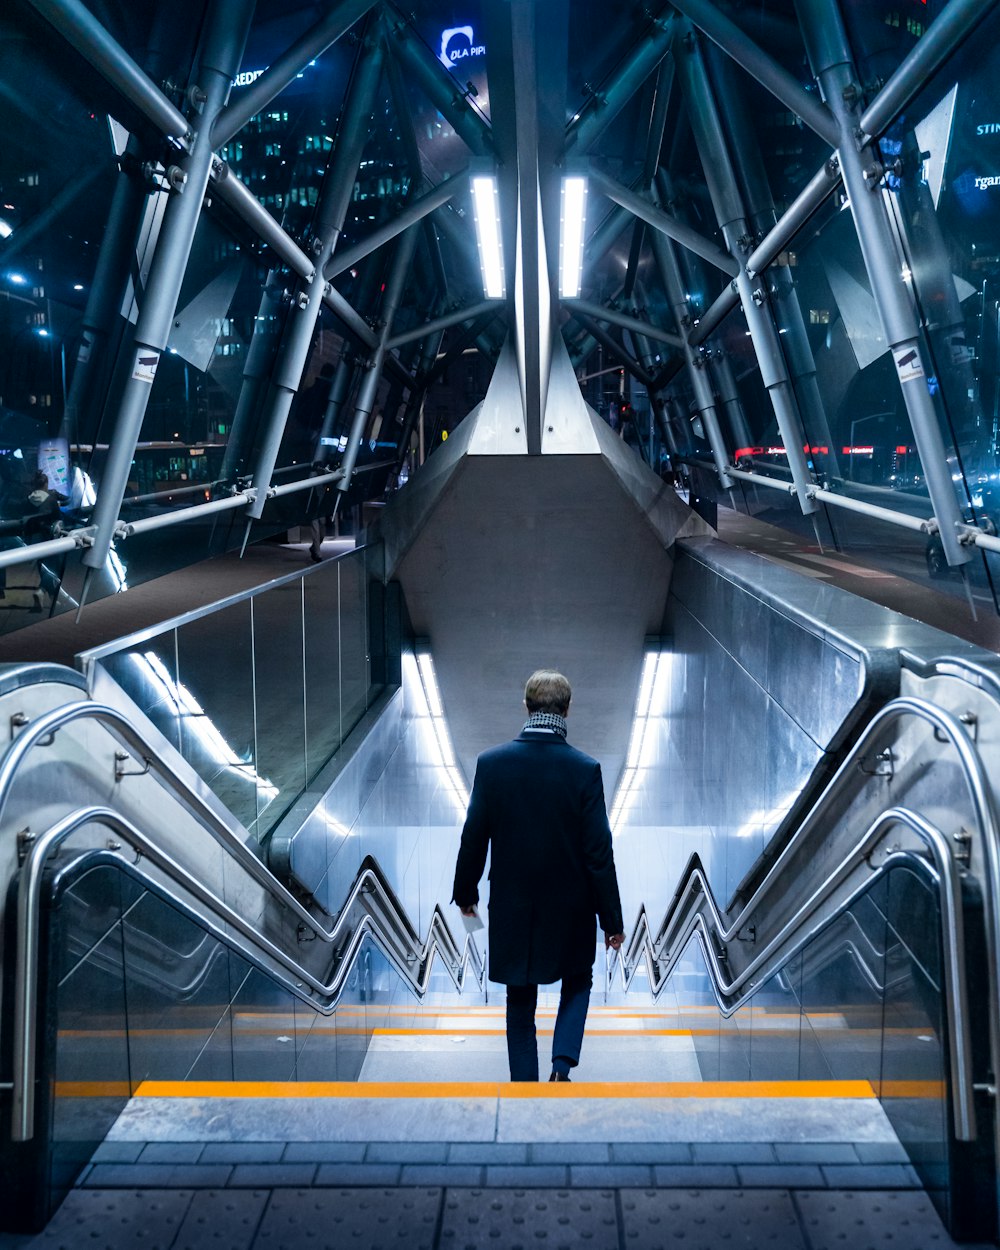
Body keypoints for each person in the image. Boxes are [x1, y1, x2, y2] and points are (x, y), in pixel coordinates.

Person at [452, 669, 625, 1082]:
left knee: (519, 995)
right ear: (567, 710)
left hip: (514, 905)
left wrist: (465, 892)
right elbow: (599, 854)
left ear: (526, 707)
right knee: (578, 979)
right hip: (573, 905)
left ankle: (524, 1086)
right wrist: (612, 922)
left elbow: (474, 835)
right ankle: (561, 1067)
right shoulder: (585, 770)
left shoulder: (492, 765)